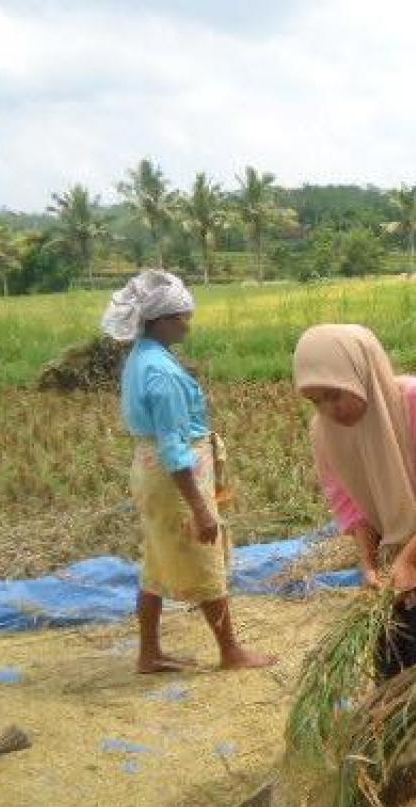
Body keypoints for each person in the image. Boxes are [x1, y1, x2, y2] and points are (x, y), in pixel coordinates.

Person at [108, 269, 275, 674]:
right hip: (174, 479)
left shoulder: (143, 357)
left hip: (150, 472)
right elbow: (174, 449)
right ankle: (230, 651)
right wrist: (201, 508)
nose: (188, 322)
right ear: (162, 320)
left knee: (156, 562)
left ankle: (149, 653)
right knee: (204, 560)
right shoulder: (162, 373)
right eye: (183, 315)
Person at [293, 324, 416, 677]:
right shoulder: (323, 431)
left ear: (362, 375)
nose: (330, 410)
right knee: (395, 636)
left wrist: (409, 558)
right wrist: (369, 563)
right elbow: (347, 503)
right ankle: (395, 716)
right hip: (386, 528)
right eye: (316, 401)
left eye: (335, 395)